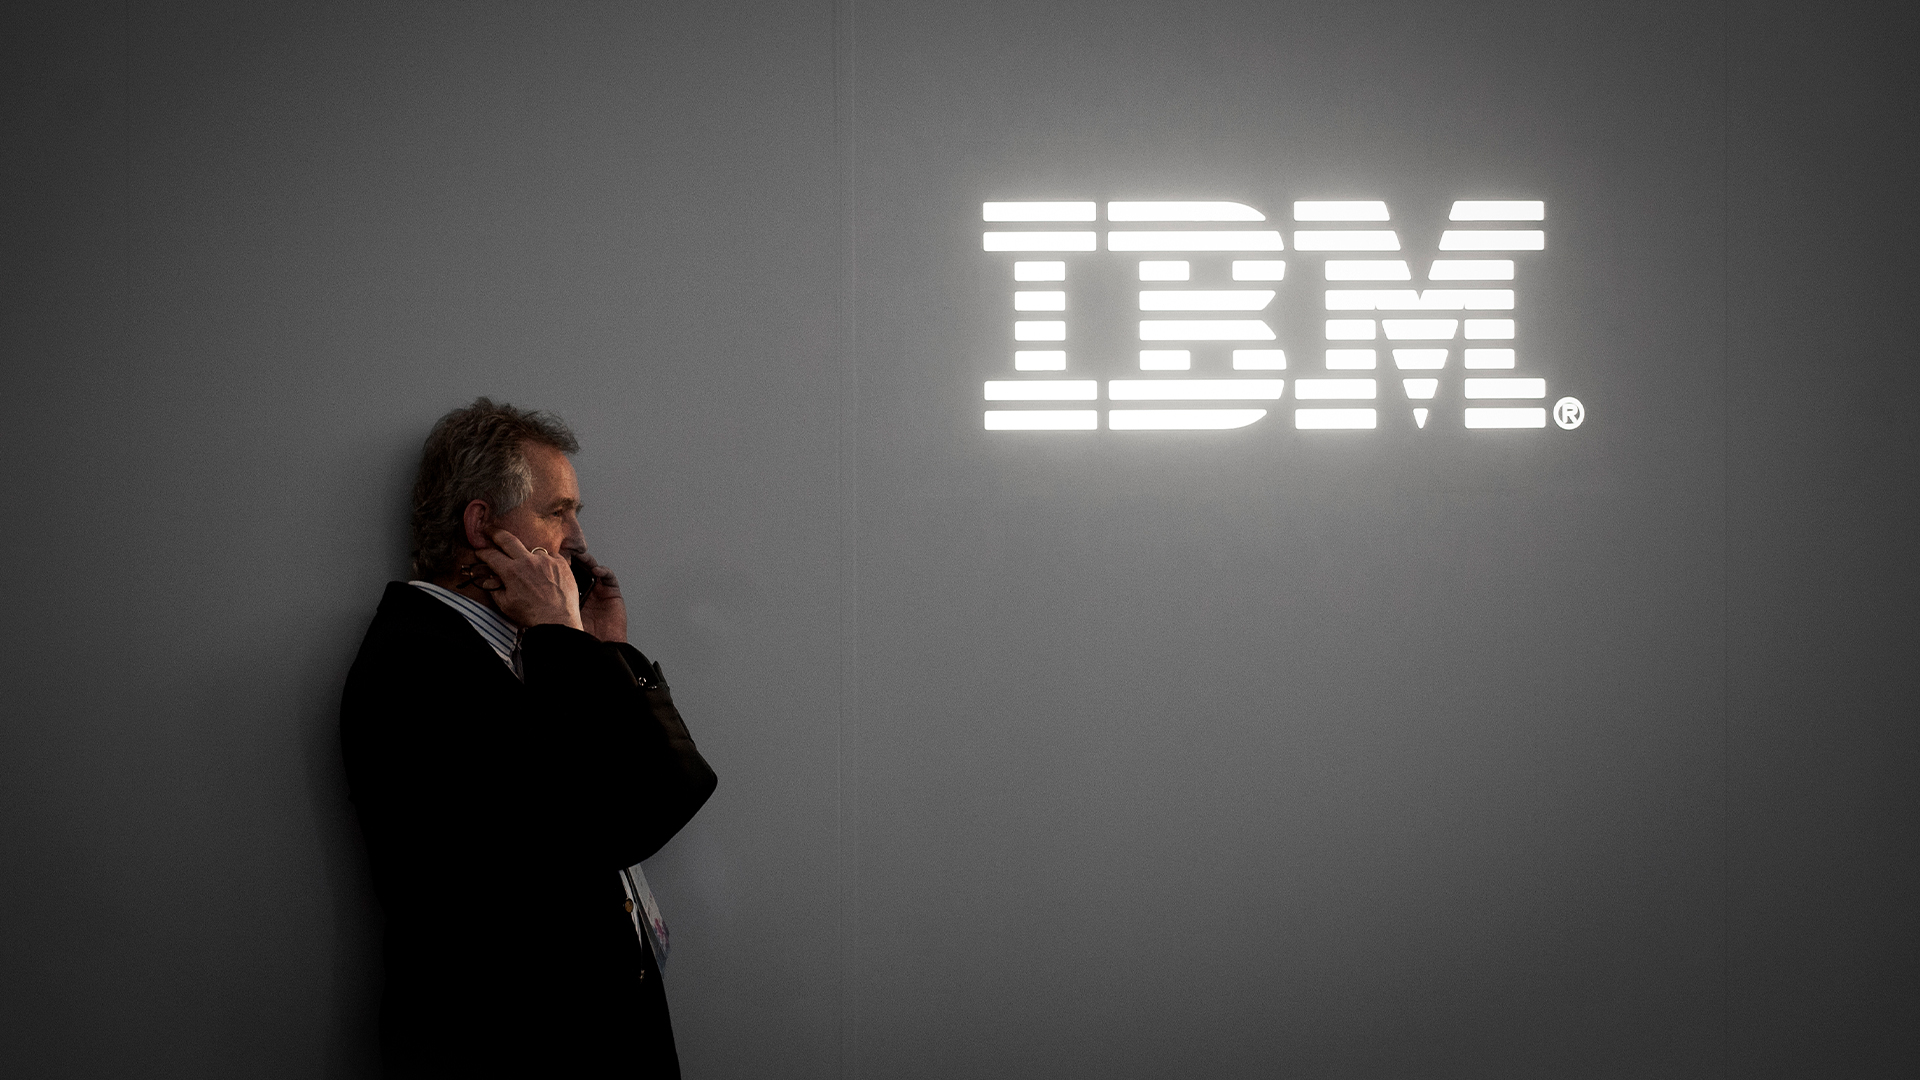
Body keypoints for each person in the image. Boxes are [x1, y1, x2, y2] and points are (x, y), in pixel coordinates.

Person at [341, 398, 717, 1078]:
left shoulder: (511, 656)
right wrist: (568, 644)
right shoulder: (420, 666)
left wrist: (607, 652)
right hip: (515, 1051)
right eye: (557, 511)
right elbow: (644, 804)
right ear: (482, 527)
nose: (577, 539)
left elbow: (655, 784)